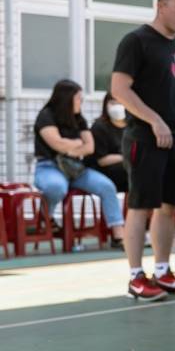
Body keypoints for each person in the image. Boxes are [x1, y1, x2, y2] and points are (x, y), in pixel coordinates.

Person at [111, 0, 175, 299]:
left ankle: (162, 272)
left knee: (168, 208)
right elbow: (119, 89)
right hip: (145, 139)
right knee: (140, 206)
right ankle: (137, 276)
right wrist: (154, 120)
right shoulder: (136, 41)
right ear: (161, 5)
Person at [33, 79, 126, 250]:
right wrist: (76, 143)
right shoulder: (46, 116)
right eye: (78, 98)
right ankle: (48, 218)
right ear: (66, 98)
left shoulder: (79, 119)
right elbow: (56, 144)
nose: (81, 102)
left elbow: (89, 147)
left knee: (106, 186)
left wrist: (69, 147)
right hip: (49, 166)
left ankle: (118, 235)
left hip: (75, 169)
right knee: (56, 187)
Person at [86, 92, 130, 193]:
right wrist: (126, 157)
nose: (117, 106)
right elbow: (102, 160)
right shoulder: (99, 127)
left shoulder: (132, 127)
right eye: (113, 103)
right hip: (102, 170)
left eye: (121, 102)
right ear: (105, 105)